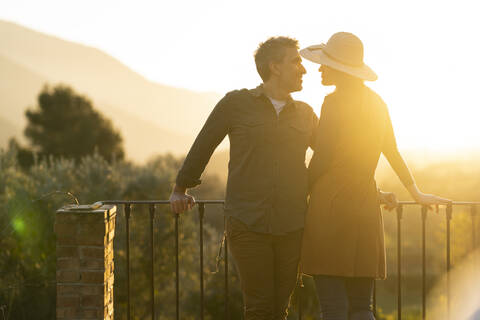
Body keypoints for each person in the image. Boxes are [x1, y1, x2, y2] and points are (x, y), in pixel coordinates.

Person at [299, 32, 451, 320]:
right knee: (361, 308)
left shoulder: (333, 103)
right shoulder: (377, 103)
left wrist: (298, 193)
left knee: (333, 309)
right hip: (365, 209)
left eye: (325, 63)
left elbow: (323, 159)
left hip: (329, 209)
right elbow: (391, 150)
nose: (319, 68)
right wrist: (416, 193)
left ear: (339, 69)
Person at [169, 36, 317, 319]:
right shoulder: (235, 104)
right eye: (296, 61)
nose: (303, 69)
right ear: (274, 66)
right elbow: (204, 144)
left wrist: (369, 187)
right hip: (247, 223)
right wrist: (180, 189)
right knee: (259, 308)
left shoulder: (305, 114)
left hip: (293, 224)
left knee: (279, 309)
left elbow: (332, 160)